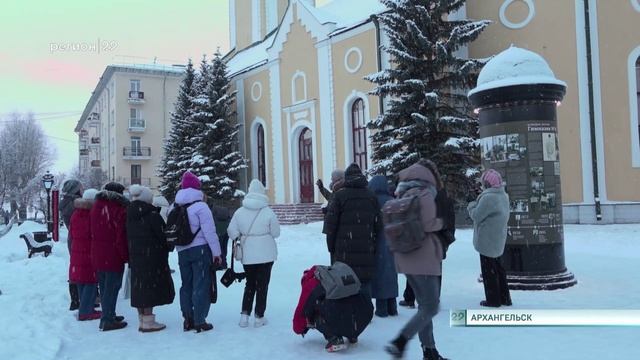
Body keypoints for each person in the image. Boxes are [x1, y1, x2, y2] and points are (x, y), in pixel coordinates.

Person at [385, 161, 448, 360]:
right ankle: (401, 340)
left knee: (424, 307)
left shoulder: (402, 194)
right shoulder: (424, 193)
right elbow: (429, 224)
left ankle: (430, 351)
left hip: (405, 256)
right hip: (423, 257)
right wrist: (442, 222)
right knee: (430, 307)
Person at [228, 179, 280, 328]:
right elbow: (276, 233)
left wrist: (241, 237)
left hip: (248, 254)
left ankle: (244, 316)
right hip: (266, 254)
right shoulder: (268, 211)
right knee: (262, 285)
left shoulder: (239, 212)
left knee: (250, 284)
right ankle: (259, 316)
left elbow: (232, 232)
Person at [174, 171, 222, 333]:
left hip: (182, 250)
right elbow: (210, 232)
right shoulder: (201, 207)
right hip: (200, 249)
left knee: (186, 285)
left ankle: (188, 318)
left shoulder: (175, 206)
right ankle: (199, 320)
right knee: (200, 283)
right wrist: (217, 253)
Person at [126, 185, 175, 332]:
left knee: (139, 286)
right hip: (152, 256)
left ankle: (141, 319)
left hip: (135, 255)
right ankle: (148, 321)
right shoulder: (152, 215)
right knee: (149, 287)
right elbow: (163, 235)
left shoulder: (129, 214)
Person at [293, 266, 373, 353]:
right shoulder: (334, 274)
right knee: (343, 303)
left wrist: (301, 328)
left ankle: (334, 338)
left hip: (340, 315)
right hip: (361, 316)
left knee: (313, 311)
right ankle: (352, 336)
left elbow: (301, 312)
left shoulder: (311, 284)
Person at [468, 169, 511, 308]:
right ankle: (505, 297)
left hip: (487, 239)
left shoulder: (488, 197)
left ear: (487, 183)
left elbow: (476, 215)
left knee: (489, 271)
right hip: (498, 237)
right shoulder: (503, 195)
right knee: (499, 269)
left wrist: (471, 205)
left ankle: (493, 300)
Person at [90, 182, 129, 331]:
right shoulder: (118, 209)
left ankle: (109, 314)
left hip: (98, 253)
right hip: (112, 254)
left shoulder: (96, 206)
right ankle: (107, 319)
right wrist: (125, 256)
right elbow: (120, 236)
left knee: (105, 286)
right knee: (112, 288)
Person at [368, 175, 399, 318]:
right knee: (391, 274)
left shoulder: (373, 202)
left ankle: (381, 310)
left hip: (378, 243)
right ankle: (392, 307)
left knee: (379, 275)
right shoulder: (393, 202)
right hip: (393, 243)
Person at [69, 188, 100, 321]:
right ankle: (86, 311)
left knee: (81, 280)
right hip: (88, 251)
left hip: (77, 251)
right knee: (91, 281)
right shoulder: (91, 215)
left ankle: (85, 307)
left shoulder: (76, 214)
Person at [60, 179, 83, 311]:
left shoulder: (67, 202)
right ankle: (76, 299)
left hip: (73, 238)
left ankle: (76, 298)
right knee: (79, 268)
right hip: (78, 239)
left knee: (75, 267)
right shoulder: (75, 204)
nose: (82, 189)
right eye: (80, 187)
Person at [211, 203, 233, 270]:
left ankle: (221, 264)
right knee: (224, 247)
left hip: (218, 231)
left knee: (219, 248)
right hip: (226, 230)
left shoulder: (212, 210)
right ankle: (224, 263)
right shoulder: (224, 210)